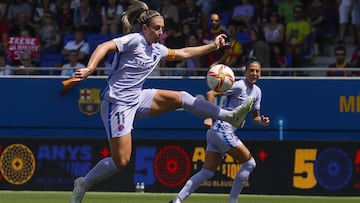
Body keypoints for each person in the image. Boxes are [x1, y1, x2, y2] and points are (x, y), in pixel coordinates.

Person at [69, 1, 254, 202]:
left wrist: (213, 46)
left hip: (137, 97)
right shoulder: (134, 40)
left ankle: (229, 116)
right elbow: (103, 46)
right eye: (157, 28)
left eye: (163, 29)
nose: (160, 32)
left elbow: (184, 53)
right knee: (121, 161)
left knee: (181, 97)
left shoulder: (157, 49)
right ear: (145, 28)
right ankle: (83, 183)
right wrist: (89, 68)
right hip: (117, 103)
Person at [169, 57, 270, 203]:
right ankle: (232, 202)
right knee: (250, 163)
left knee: (207, 172)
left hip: (216, 132)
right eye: (251, 70)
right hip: (223, 129)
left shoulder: (257, 92)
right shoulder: (239, 86)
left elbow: (255, 118)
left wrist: (262, 121)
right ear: (245, 71)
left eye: (257, 71)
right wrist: (209, 117)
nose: (254, 73)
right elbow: (211, 94)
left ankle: (177, 200)